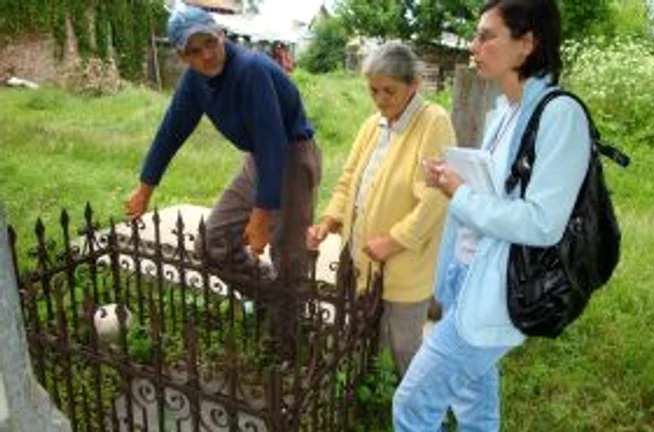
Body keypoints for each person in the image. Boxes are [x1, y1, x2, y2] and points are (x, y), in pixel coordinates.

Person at [392, 0, 591, 430]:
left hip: (499, 291)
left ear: (526, 44)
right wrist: (450, 178)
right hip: (468, 277)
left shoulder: (560, 114)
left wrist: (459, 194)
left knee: (412, 405)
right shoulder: (505, 112)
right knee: (474, 406)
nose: (473, 45)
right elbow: (495, 192)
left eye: (486, 36)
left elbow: (541, 223)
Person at [125, 5, 321, 281]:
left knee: (289, 256)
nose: (206, 55)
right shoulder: (195, 81)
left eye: (210, 42)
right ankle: (269, 296)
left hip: (291, 156)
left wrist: (261, 215)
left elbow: (273, 143)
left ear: (221, 35)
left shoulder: (251, 70)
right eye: (194, 51)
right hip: (257, 158)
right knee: (212, 245)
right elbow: (170, 132)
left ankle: (289, 319)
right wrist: (145, 190)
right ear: (182, 57)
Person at [306, 42, 456, 376]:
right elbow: (349, 180)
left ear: (413, 85)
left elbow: (437, 198)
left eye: (390, 90)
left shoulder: (433, 122)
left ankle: (420, 414)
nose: (381, 99)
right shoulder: (372, 124)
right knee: (362, 331)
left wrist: (393, 241)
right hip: (359, 254)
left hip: (403, 260)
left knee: (403, 345)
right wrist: (329, 220)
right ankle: (367, 396)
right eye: (374, 90)